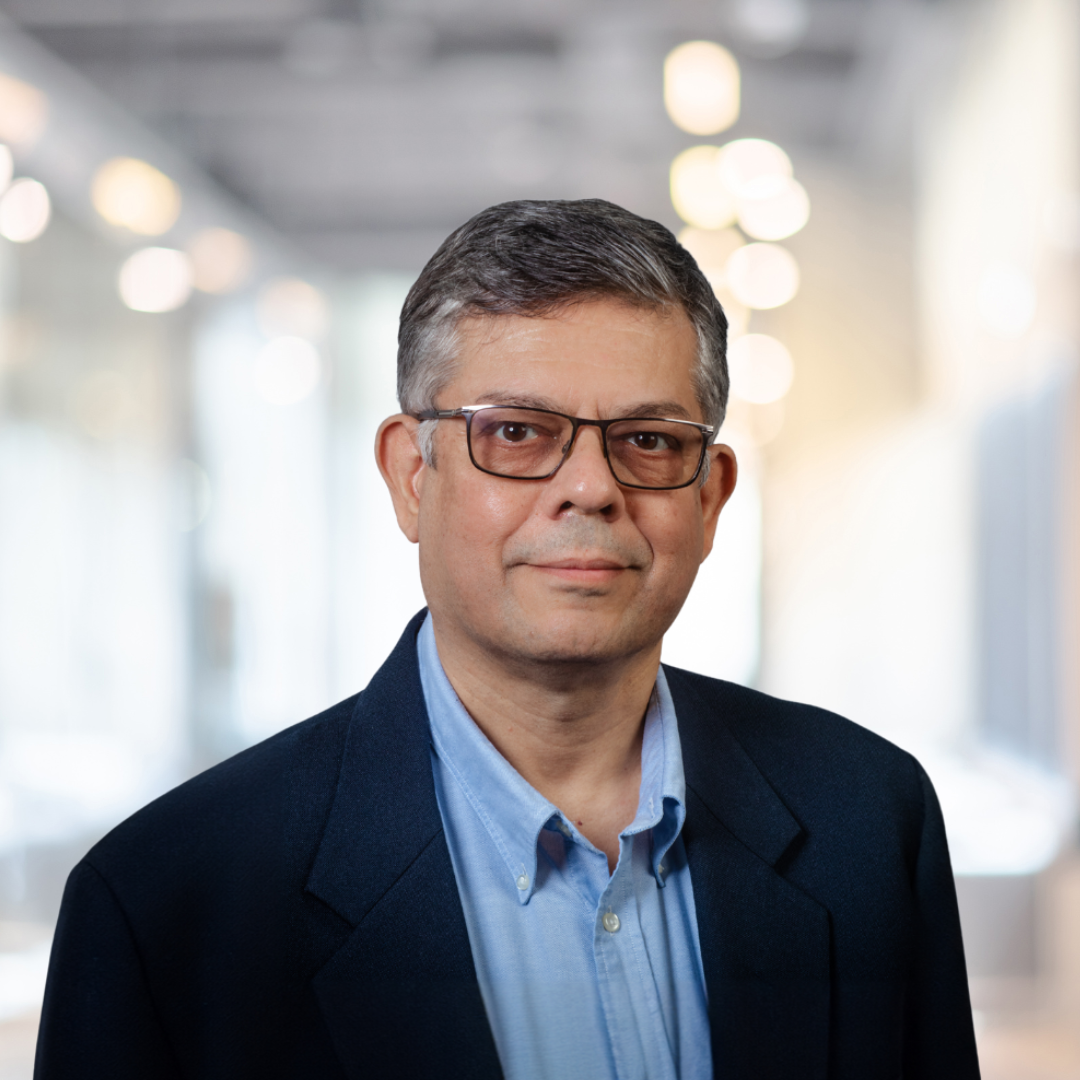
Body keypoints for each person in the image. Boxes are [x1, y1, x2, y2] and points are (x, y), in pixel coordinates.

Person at [35, 199, 980, 1080]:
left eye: (648, 440)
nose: (592, 489)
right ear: (412, 476)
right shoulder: (166, 900)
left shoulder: (869, 819)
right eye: (520, 433)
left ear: (711, 494)